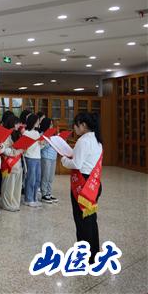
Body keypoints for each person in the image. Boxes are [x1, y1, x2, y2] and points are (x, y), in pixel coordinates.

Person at [60, 112, 103, 261]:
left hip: (82, 184)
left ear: (83, 125)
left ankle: (84, 255)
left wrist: (64, 160)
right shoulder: (97, 139)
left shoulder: (83, 141)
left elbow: (77, 164)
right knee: (90, 219)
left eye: (76, 125)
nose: (74, 128)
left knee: (81, 221)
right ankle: (93, 253)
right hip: (93, 183)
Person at [0, 115, 25, 212]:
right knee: (8, 186)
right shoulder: (5, 134)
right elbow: (4, 150)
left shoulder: (17, 134)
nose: (19, 125)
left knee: (17, 186)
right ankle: (7, 204)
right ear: (12, 123)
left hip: (18, 164)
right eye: (17, 123)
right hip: (8, 164)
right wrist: (15, 152)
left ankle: (15, 203)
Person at [23, 114, 43, 207]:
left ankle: (34, 198)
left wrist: (42, 143)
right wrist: (35, 142)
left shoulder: (37, 133)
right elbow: (25, 147)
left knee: (37, 179)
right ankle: (28, 199)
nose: (39, 123)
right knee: (31, 179)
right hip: (30, 157)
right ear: (33, 122)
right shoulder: (26, 133)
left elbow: (39, 147)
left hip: (38, 157)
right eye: (38, 121)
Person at [39, 117, 59, 204]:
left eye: (52, 124)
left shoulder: (53, 135)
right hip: (46, 157)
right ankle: (44, 194)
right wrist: (48, 141)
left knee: (51, 177)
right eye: (50, 124)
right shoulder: (42, 134)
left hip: (53, 157)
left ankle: (49, 193)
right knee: (45, 176)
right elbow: (41, 147)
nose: (51, 126)